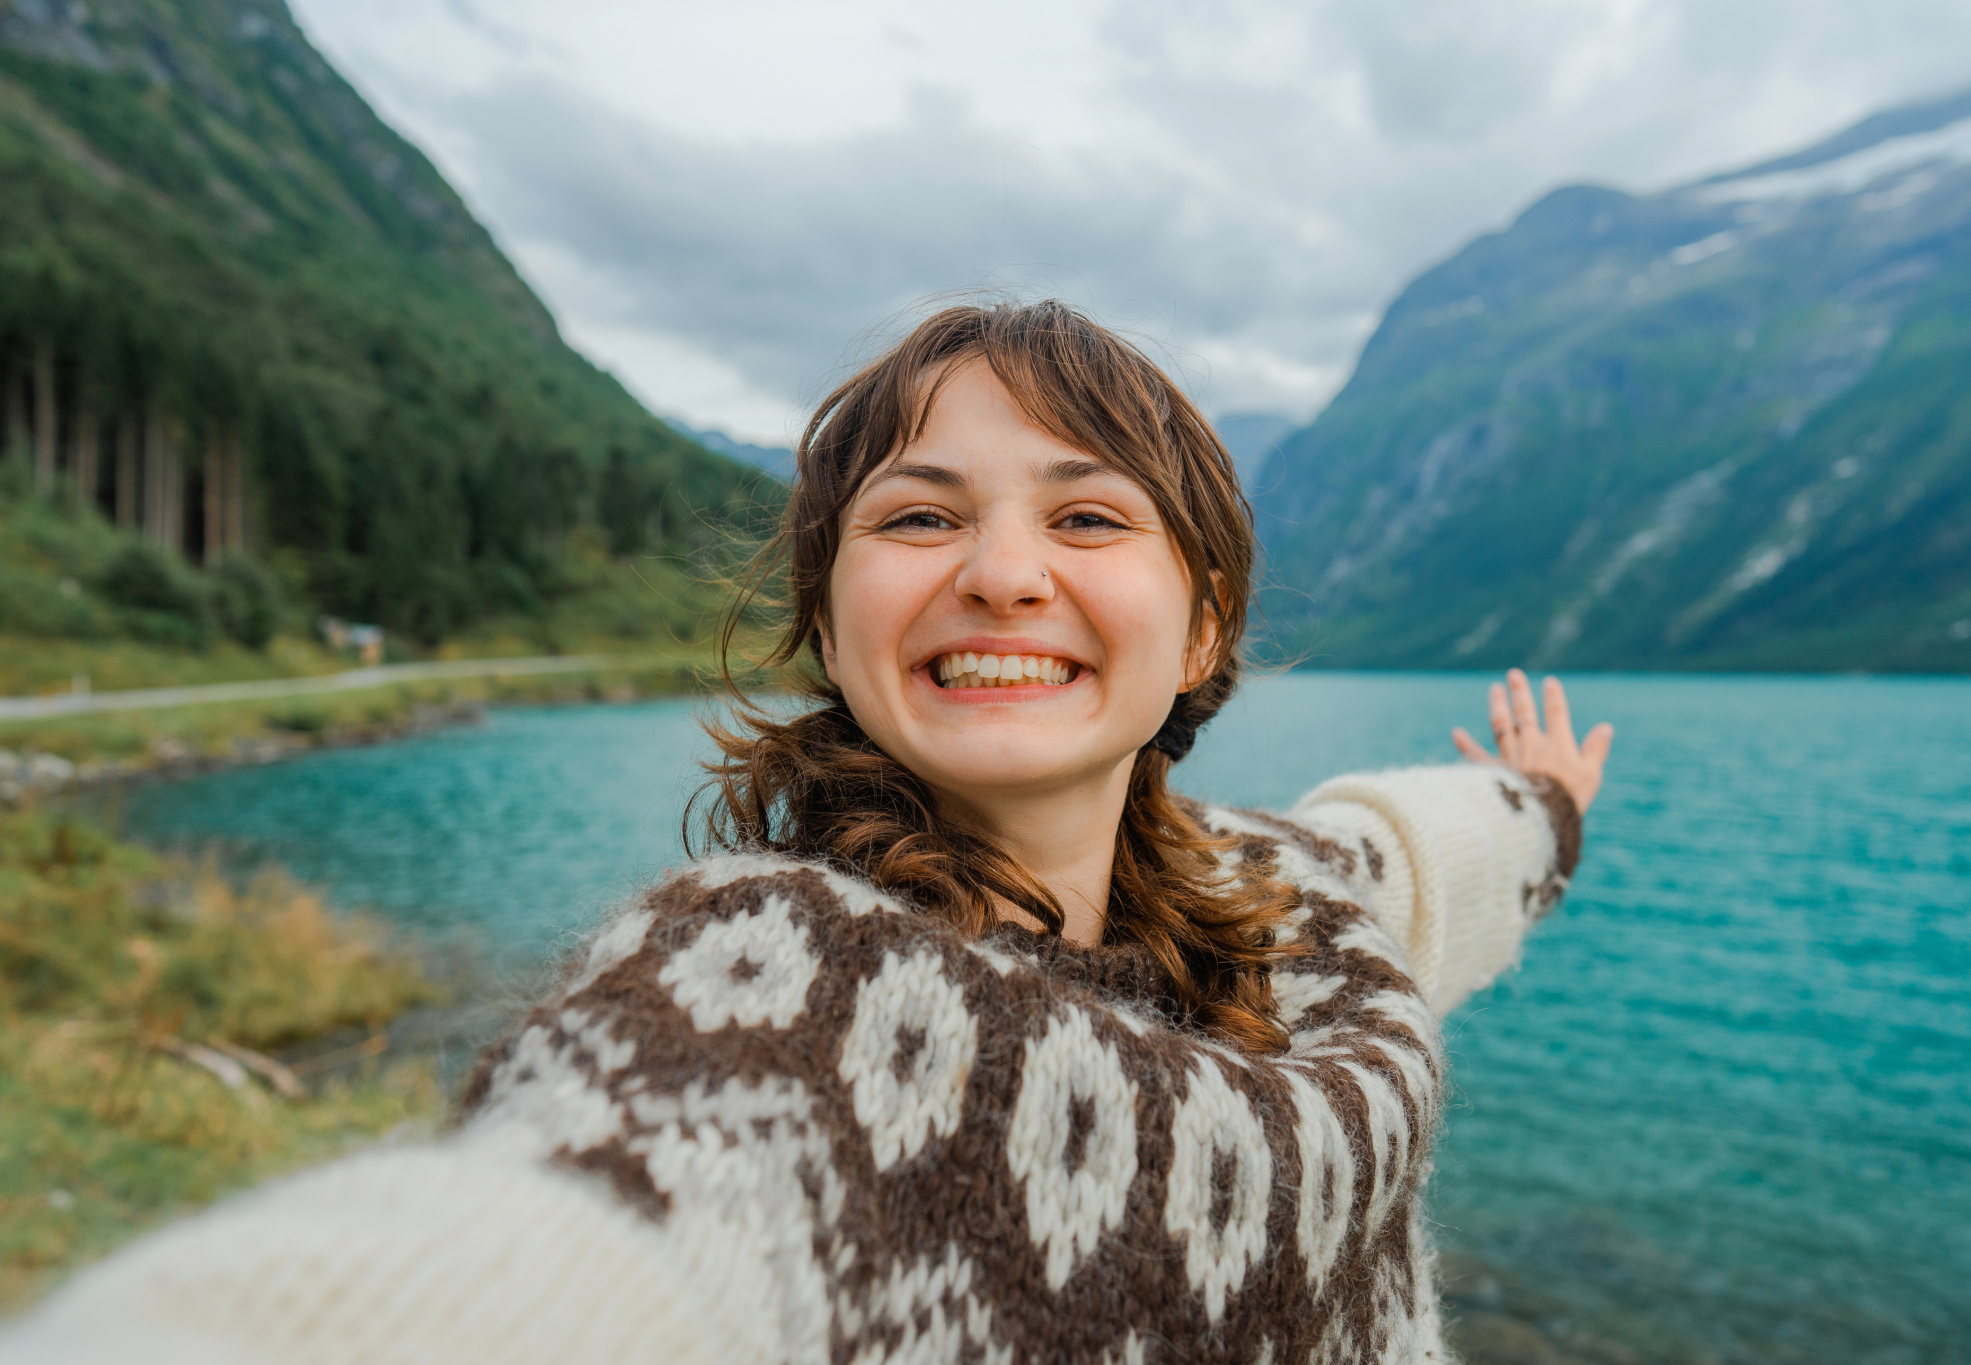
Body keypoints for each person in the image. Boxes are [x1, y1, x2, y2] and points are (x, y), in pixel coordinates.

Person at [1, 301, 1612, 1365]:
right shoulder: (777, 1002)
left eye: (1088, 514)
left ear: (1203, 631)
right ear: (833, 629)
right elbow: (541, 1249)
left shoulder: (1287, 907)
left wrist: (1540, 804)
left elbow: (1407, 853)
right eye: (919, 516)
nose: (999, 570)